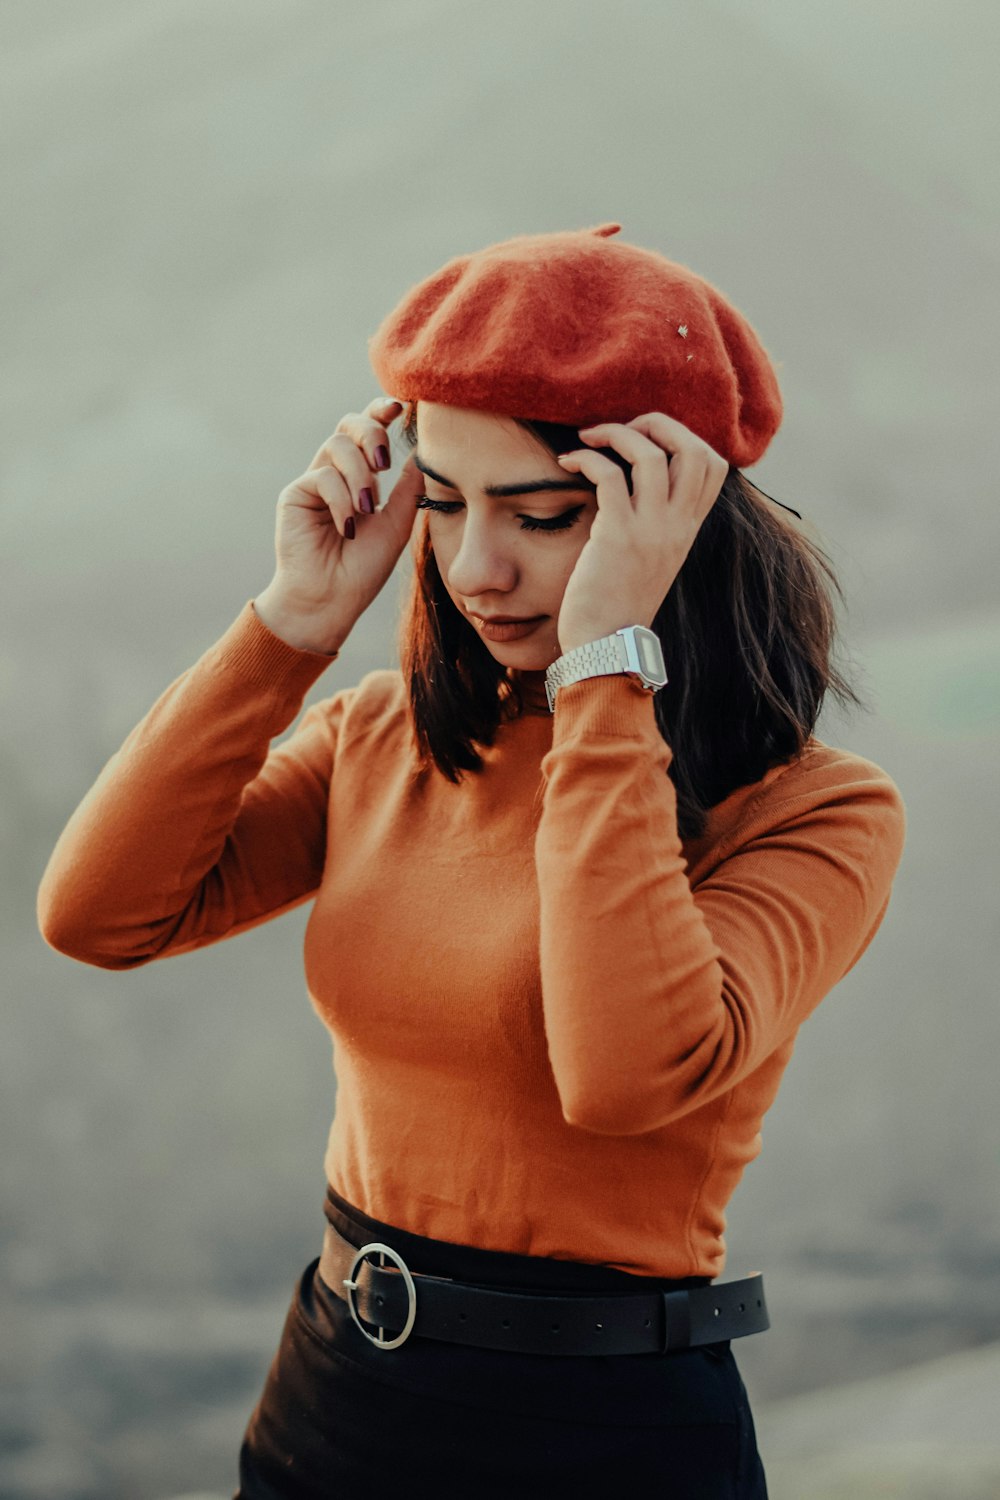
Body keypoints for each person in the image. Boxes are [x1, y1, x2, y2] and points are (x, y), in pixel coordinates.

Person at [37, 223, 907, 1498]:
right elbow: (97, 915)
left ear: (669, 521)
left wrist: (606, 664)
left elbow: (617, 1078)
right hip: (333, 1398)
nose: (475, 568)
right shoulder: (383, 737)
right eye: (443, 505)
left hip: (604, 1438)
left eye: (544, 517)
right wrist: (290, 627)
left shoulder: (816, 814)